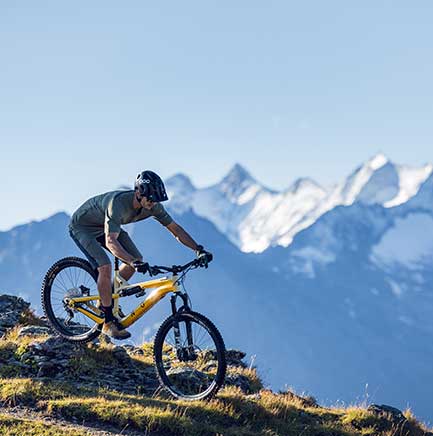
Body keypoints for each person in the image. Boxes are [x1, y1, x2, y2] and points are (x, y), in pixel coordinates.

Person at [68, 170, 212, 340]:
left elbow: (176, 230)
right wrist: (131, 261)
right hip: (83, 227)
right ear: (138, 193)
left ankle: (104, 301)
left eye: (156, 200)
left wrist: (198, 249)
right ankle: (107, 322)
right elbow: (110, 242)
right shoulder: (118, 204)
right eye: (150, 199)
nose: (153, 203)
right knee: (105, 266)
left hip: (108, 227)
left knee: (137, 260)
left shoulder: (154, 206)